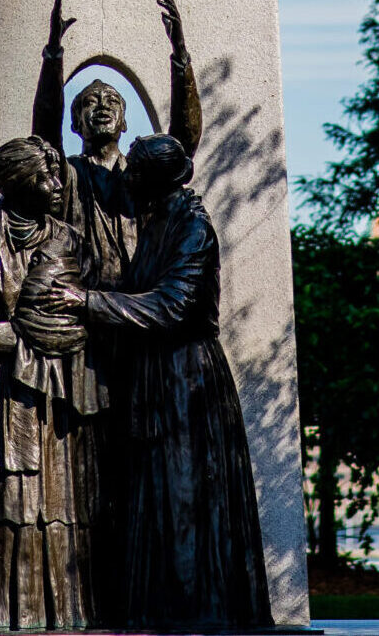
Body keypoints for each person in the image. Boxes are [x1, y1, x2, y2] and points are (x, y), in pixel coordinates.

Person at [46, 134, 273, 632]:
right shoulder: (157, 222)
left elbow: (172, 306)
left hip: (186, 381)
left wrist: (87, 302)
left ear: (152, 179)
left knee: (186, 499)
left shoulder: (193, 227)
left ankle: (197, 615)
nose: (123, 177)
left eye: (132, 171)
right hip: (152, 378)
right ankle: (154, 611)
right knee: (154, 499)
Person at [0, 136, 105, 631]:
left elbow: (92, 308)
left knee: (58, 507)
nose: (56, 185)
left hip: (58, 398)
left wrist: (64, 331)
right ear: (17, 183)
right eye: (46, 176)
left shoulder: (72, 241)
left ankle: (61, 614)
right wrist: (13, 337)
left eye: (57, 175)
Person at [31, 0, 202, 287]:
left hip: (139, 308)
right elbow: (44, 136)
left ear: (124, 123)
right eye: (89, 102)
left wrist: (181, 56)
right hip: (83, 306)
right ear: (75, 124)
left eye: (111, 101)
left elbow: (182, 146)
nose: (102, 106)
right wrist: (53, 54)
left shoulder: (143, 175)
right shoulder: (70, 175)